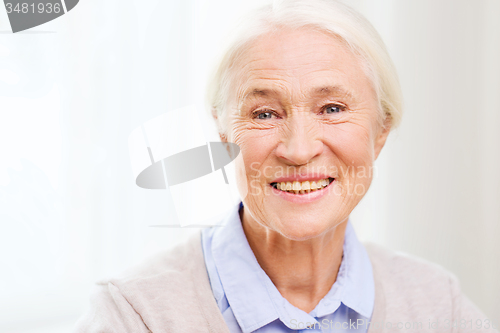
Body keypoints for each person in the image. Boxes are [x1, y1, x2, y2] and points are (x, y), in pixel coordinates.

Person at [74, 0, 498, 332]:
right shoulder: (134, 315)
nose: (298, 150)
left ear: (381, 129)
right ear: (223, 131)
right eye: (263, 114)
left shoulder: (437, 304)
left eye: (332, 108)